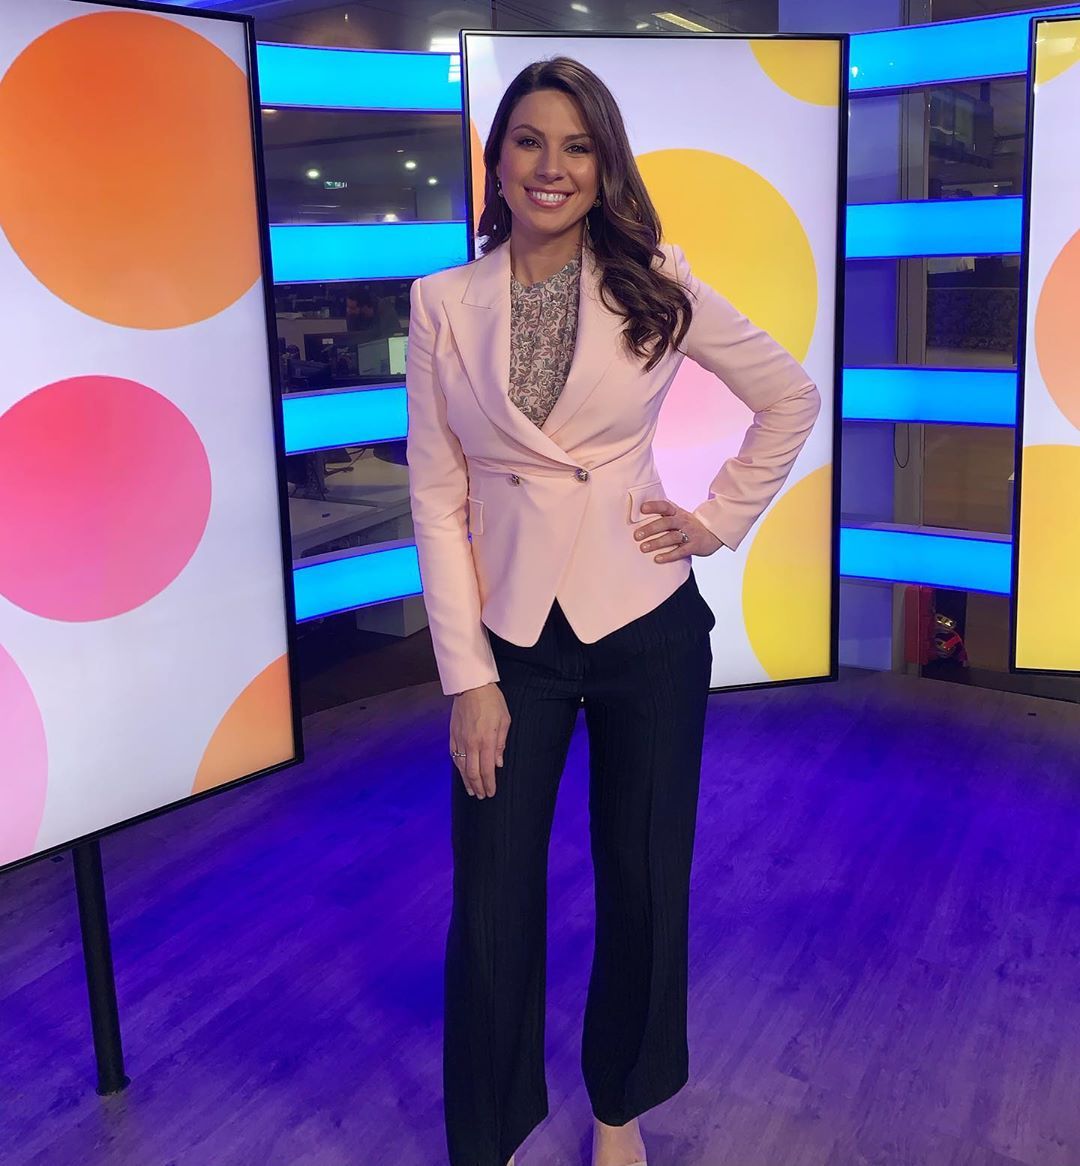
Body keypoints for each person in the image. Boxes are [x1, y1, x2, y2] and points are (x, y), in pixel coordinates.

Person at [405, 55, 820, 1166]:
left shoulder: (653, 282)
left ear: (604, 166)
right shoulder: (442, 303)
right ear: (497, 160)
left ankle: (620, 1106)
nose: (552, 166)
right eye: (530, 141)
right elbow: (436, 499)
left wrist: (715, 519)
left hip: (645, 625)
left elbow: (789, 393)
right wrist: (468, 678)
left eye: (578, 146)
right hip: (510, 640)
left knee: (642, 876)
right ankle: (488, 1132)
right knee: (493, 894)